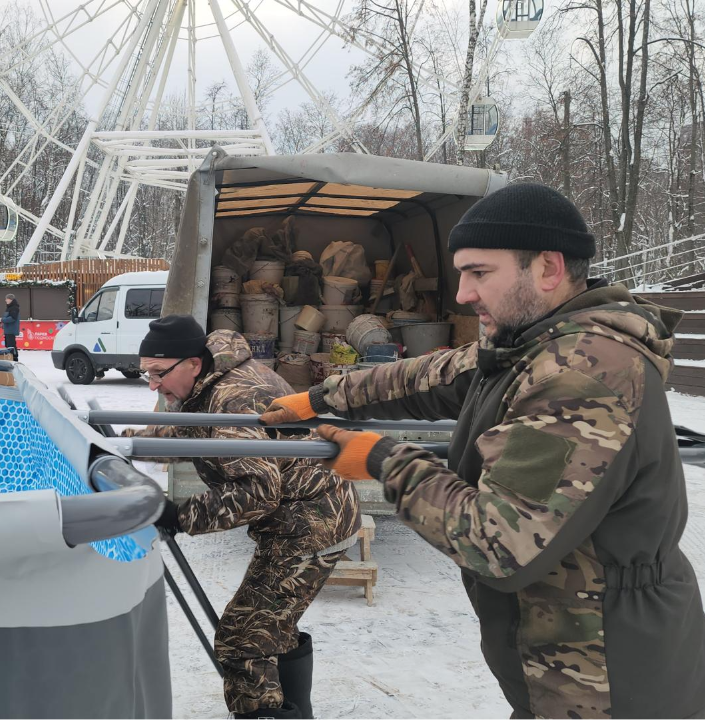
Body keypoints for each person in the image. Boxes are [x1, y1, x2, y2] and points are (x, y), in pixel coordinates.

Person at [261, 183, 705, 720]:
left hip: (609, 682)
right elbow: (435, 375)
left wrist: (382, 460)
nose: (464, 295)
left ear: (547, 268)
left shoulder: (582, 372)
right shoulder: (536, 344)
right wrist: (319, 398)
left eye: (479, 273)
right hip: (562, 671)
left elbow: (498, 544)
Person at [131, 314, 361, 720]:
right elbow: (189, 432)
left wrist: (179, 516)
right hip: (307, 515)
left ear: (192, 363)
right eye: (144, 373)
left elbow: (257, 491)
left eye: (157, 373)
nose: (152, 384)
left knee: (243, 641)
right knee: (270, 629)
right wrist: (126, 445)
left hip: (310, 523)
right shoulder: (211, 381)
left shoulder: (235, 396)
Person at [0, 293, 20, 361]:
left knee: (11, 346)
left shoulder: (14, 308)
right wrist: (2, 324)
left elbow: (12, 318)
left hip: (11, 330)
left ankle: (14, 358)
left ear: (10, 299)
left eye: (7, 299)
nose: (5, 300)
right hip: (8, 329)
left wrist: (2, 320)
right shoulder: (9, 307)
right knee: (8, 346)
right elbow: (8, 318)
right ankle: (10, 358)